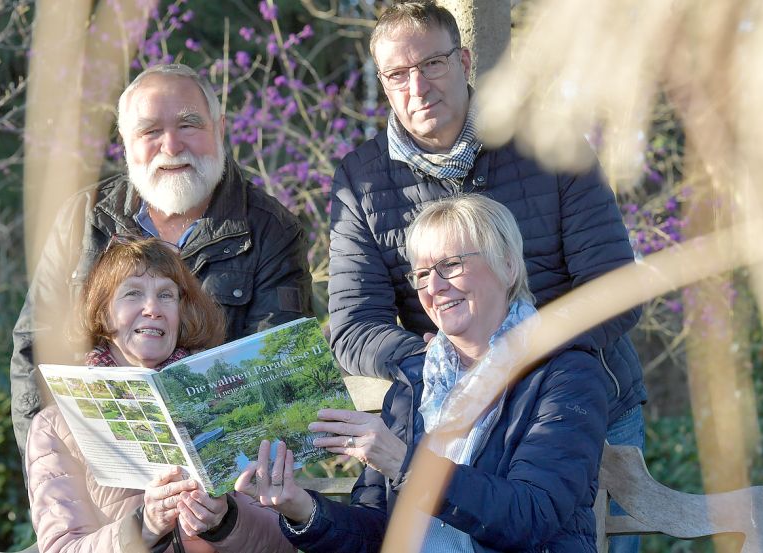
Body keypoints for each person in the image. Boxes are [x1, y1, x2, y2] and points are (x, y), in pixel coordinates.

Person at [327, 3, 643, 550]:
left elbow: (614, 289)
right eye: (397, 75)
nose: (417, 87)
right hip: (445, 412)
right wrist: (435, 360)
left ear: (465, 60)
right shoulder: (361, 179)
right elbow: (353, 326)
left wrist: (520, 355)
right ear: (382, 82)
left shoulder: (551, 144)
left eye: (431, 64)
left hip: (575, 402)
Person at [237, 195, 609, 552]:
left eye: (451, 265)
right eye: (422, 273)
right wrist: (302, 508)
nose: (434, 287)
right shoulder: (415, 385)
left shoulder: (565, 374)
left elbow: (530, 515)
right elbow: (376, 532)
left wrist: (405, 463)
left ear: (508, 266)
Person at [11, 63, 314, 457]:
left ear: (219, 129)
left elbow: (274, 370)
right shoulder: (84, 219)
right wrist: (50, 470)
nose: (171, 146)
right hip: (91, 469)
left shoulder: (272, 231)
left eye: (189, 125)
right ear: (125, 142)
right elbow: (35, 352)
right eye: (150, 131)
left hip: (220, 480)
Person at [26, 237, 295, 553]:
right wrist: (145, 528)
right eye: (133, 293)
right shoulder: (57, 424)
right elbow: (62, 548)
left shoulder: (225, 397)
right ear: (103, 313)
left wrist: (225, 521)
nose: (152, 308)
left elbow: (282, 544)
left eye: (166, 295)